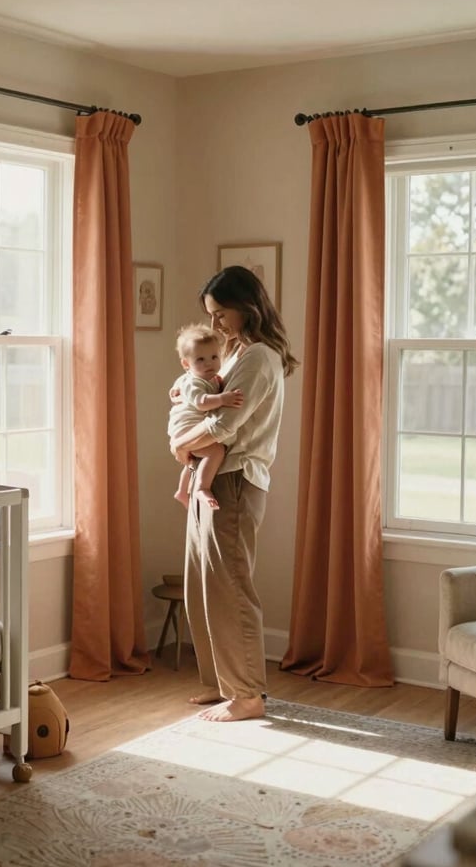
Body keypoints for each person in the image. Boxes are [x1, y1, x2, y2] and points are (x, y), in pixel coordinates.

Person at [169, 266, 298, 723]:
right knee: (201, 582)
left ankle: (247, 694)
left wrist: (181, 444)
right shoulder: (237, 355)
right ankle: (222, 682)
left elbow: (225, 426)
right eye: (211, 315)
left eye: (221, 313)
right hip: (217, 475)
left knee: (231, 588)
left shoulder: (259, 358)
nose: (216, 325)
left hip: (235, 480)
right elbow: (199, 399)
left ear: (247, 306)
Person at [168, 323, 243, 509]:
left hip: (187, 428)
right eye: (200, 359)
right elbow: (201, 402)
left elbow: (177, 389)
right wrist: (222, 399)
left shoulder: (205, 378)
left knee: (195, 459)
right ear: (186, 364)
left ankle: (182, 490)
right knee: (216, 451)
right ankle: (201, 487)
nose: (209, 363)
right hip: (186, 428)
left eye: (214, 357)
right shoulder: (194, 382)